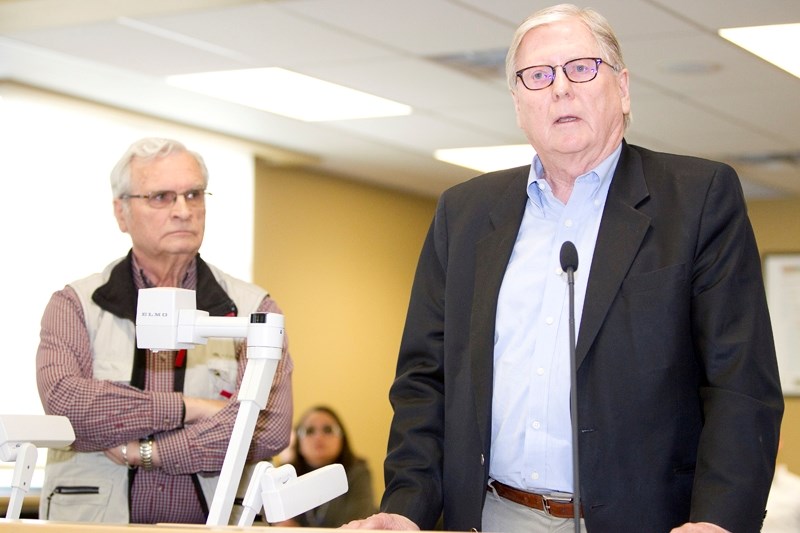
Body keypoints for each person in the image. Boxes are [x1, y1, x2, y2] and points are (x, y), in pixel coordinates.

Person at [343, 4, 783, 532]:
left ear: (622, 88)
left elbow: (739, 383)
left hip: (646, 521)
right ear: (517, 103)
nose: (560, 89)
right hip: (492, 514)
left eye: (581, 68)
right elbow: (425, 381)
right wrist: (406, 507)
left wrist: (719, 521)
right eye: (538, 76)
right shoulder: (464, 213)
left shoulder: (696, 198)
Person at [35, 137, 293, 524]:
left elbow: (267, 429)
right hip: (91, 524)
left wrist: (149, 452)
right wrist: (193, 409)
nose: (183, 211)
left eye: (193, 194)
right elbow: (68, 407)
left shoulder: (254, 310)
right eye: (161, 197)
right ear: (121, 213)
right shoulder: (75, 304)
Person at [275, 406, 376, 527]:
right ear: (298, 441)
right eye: (310, 431)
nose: (319, 437)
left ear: (342, 438)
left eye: (328, 430)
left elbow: (357, 527)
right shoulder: (284, 477)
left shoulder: (357, 473)